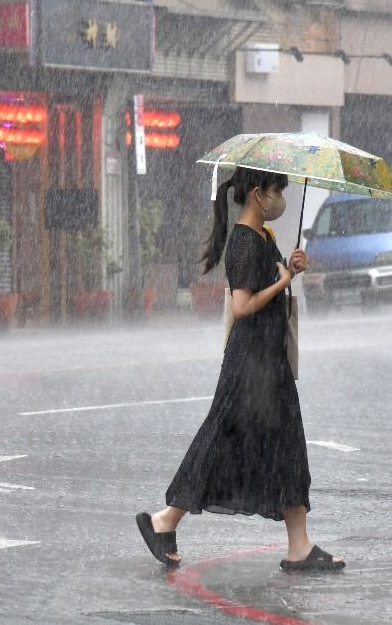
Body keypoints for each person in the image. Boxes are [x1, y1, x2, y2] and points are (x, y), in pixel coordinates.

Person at [136, 166, 345, 573]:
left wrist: (290, 269)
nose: (280, 201)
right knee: (223, 441)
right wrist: (281, 281)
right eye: (276, 191)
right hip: (252, 363)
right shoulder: (245, 242)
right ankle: (164, 520)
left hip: (267, 359)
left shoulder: (261, 237)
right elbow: (244, 306)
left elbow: (268, 286)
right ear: (257, 194)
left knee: (284, 445)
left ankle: (298, 545)